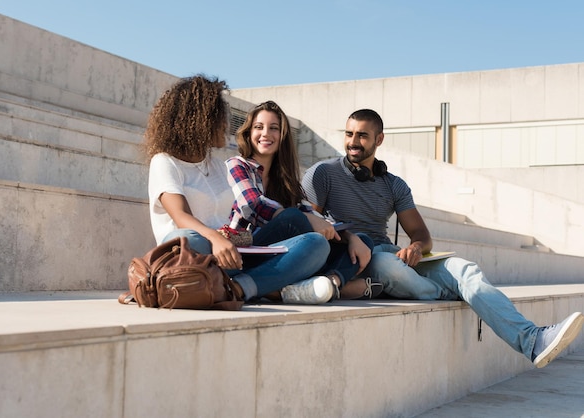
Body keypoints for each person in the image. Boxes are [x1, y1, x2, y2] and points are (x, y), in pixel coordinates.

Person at [302, 108, 584, 368]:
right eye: (349, 133)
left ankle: (532, 341)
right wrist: (348, 237)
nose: (353, 141)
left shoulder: (394, 185)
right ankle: (450, 292)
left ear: (379, 139)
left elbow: (422, 234)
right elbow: (310, 226)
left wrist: (415, 247)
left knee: (464, 268)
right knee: (387, 266)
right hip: (358, 258)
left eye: (362, 135)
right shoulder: (323, 174)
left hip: (389, 253)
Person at [143, 75, 332, 305]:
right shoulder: (165, 161)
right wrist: (216, 239)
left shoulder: (216, 164)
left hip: (231, 254)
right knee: (187, 238)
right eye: (220, 116)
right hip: (193, 255)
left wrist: (238, 240)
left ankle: (237, 288)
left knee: (316, 243)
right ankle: (267, 287)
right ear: (199, 120)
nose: (226, 122)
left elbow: (237, 216)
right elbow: (180, 216)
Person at [226, 100, 382, 302]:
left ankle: (330, 284)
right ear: (248, 133)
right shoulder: (237, 164)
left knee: (362, 240)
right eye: (259, 127)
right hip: (248, 253)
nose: (265, 133)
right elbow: (252, 205)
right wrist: (306, 219)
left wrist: (349, 237)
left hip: (284, 254)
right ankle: (248, 286)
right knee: (295, 219)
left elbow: (313, 216)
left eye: (274, 128)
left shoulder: (287, 179)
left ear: (282, 136)